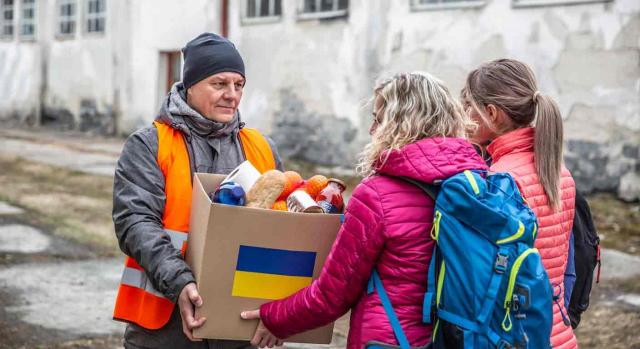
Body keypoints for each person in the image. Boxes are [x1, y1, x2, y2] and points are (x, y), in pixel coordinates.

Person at [241, 72, 488, 348]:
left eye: (378, 118)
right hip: (458, 337)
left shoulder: (377, 196)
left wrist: (273, 317)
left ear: (400, 123)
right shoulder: (478, 183)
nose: (372, 130)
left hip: (390, 340)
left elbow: (331, 296)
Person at [111, 32, 283, 349]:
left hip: (241, 328)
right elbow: (135, 222)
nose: (232, 94)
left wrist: (282, 311)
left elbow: (283, 232)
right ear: (190, 86)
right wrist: (180, 282)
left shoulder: (262, 149)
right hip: (165, 328)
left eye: (239, 85)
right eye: (219, 84)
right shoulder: (150, 144)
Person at [461, 58, 578, 348]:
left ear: (491, 113)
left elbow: (486, 278)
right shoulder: (559, 172)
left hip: (515, 333)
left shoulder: (499, 180)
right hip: (554, 330)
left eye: (467, 107)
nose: (462, 115)